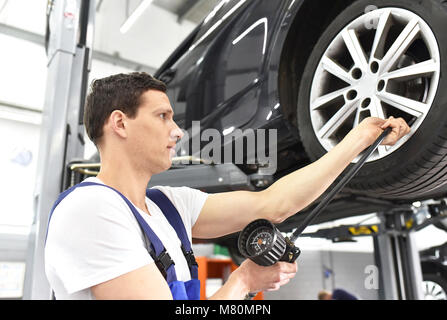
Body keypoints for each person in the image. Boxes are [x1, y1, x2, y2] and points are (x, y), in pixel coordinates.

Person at [44, 72, 411, 300]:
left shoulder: (169, 206)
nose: (177, 131)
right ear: (120, 124)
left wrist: (357, 140)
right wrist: (243, 281)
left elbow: (274, 203)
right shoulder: (90, 209)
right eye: (162, 117)